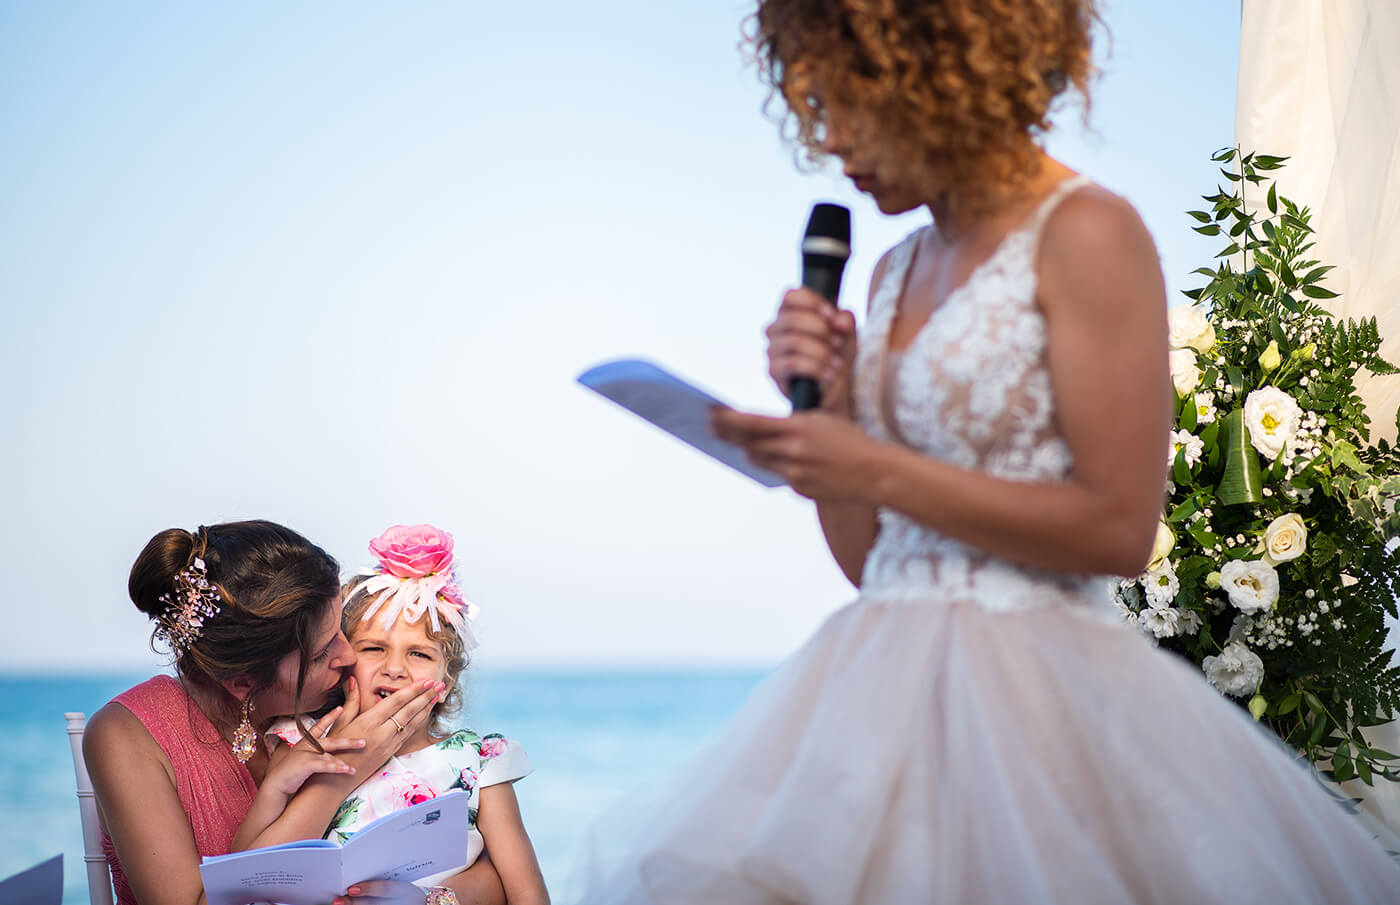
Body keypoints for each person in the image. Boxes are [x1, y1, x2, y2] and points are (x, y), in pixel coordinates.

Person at [573, 2, 1400, 903]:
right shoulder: (890, 272)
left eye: (849, 101)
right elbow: (871, 560)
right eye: (815, 107)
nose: (829, 140)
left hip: (1041, 706)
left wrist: (870, 464)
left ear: (938, 71)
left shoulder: (1089, 231)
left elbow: (1120, 530)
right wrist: (835, 419)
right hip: (874, 694)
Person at [84, 520, 505, 905]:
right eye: (322, 652)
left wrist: (423, 898)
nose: (348, 656)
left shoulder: (340, 701)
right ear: (244, 682)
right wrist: (339, 779)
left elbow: (492, 875)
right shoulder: (127, 736)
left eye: (341, 629)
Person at [257, 524, 549, 905]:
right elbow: (249, 868)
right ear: (343, 660)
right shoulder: (304, 743)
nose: (394, 669)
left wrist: (429, 899)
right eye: (374, 648)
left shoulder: (479, 764)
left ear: (447, 678)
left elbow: (527, 893)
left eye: (419, 654)